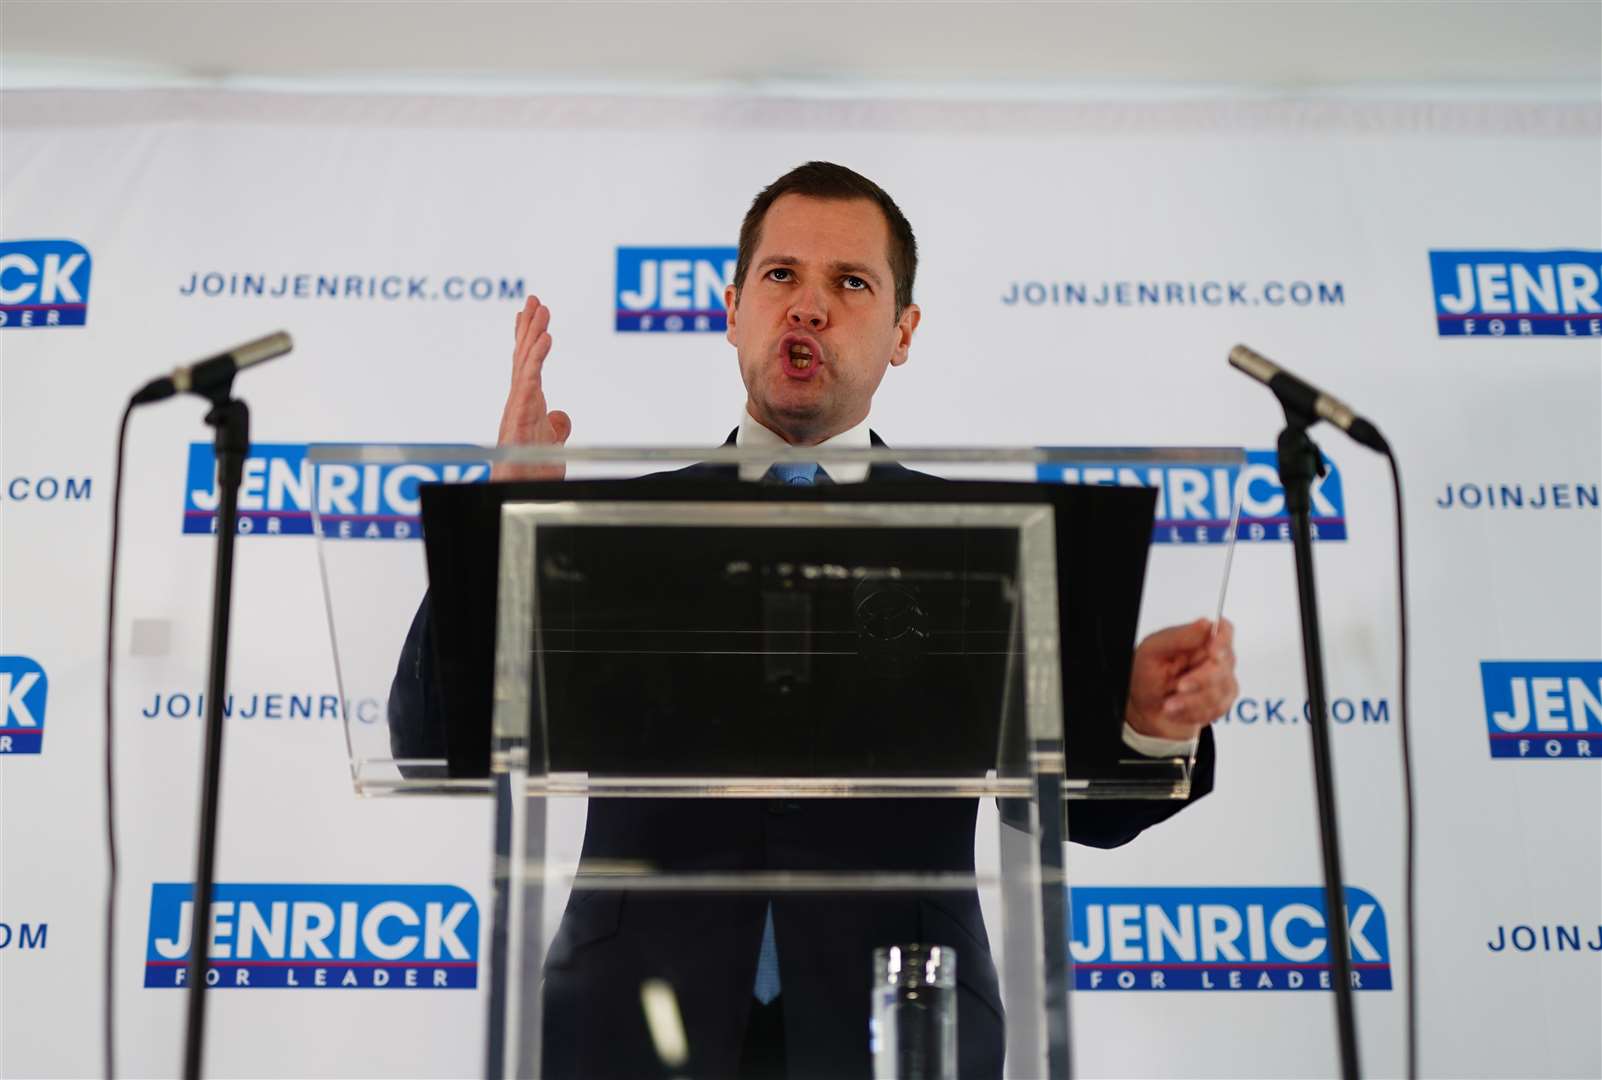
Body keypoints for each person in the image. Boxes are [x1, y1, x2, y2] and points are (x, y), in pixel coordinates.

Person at [417, 162, 1238, 1078]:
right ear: (732, 310)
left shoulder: (984, 547)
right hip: (632, 1027)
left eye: (851, 283)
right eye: (781, 277)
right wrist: (494, 536)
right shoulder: (612, 534)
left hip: (905, 1026)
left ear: (903, 332)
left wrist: (1141, 724)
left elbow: (1068, 812)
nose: (808, 307)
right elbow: (426, 732)